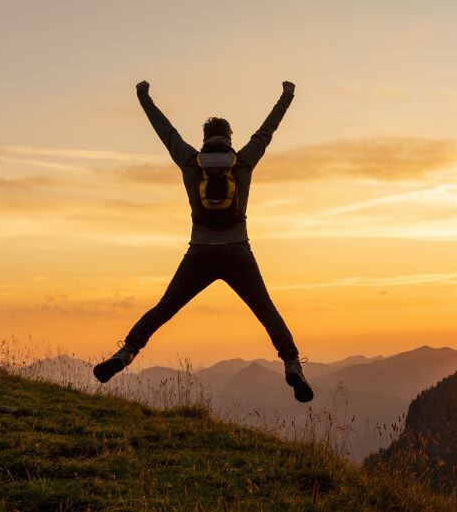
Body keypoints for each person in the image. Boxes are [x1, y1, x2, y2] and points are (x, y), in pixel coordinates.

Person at [93, 80, 313, 403]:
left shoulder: (189, 161)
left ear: (205, 139)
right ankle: (292, 363)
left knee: (165, 308)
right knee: (266, 310)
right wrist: (286, 96)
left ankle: (126, 353)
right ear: (229, 137)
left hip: (199, 255)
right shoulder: (243, 161)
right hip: (238, 252)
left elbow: (165, 131)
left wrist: (144, 97)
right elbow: (267, 131)